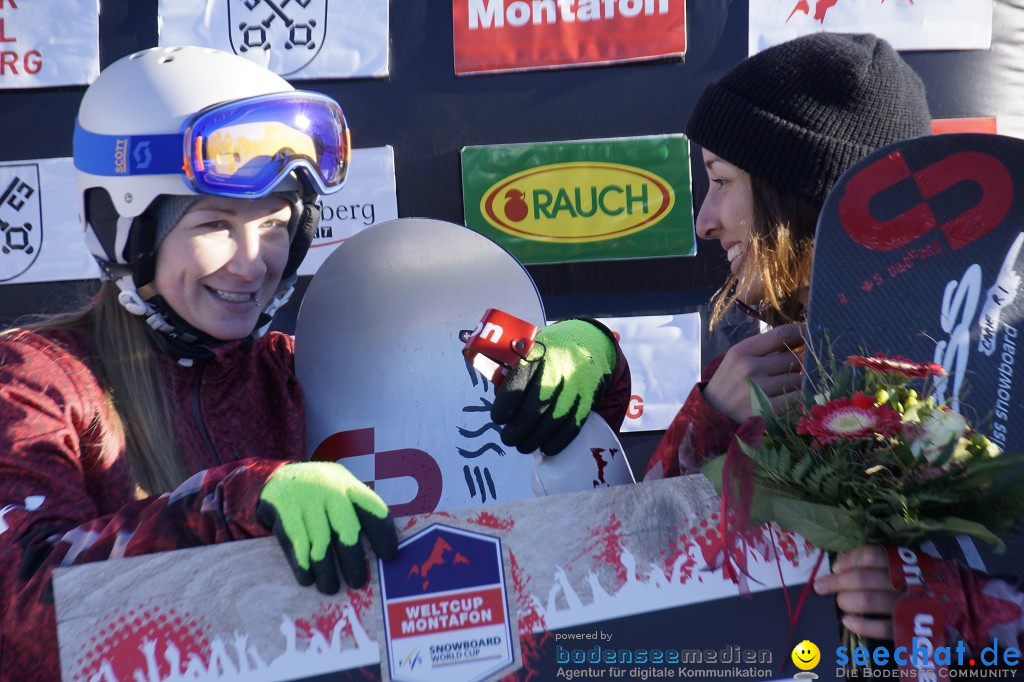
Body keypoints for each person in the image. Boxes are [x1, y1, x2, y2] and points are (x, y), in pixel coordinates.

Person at [0, 46, 628, 682]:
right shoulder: (37, 383)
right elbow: (22, 617)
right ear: (127, 229)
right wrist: (234, 503)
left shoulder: (306, 368)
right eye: (215, 224)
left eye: (275, 225)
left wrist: (584, 355)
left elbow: (530, 433)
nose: (252, 262)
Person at [641, 32, 1023, 658]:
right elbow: (633, 573)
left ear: (805, 197)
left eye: (722, 180)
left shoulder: (993, 369)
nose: (705, 219)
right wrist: (708, 421)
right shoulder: (742, 383)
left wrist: (945, 614)